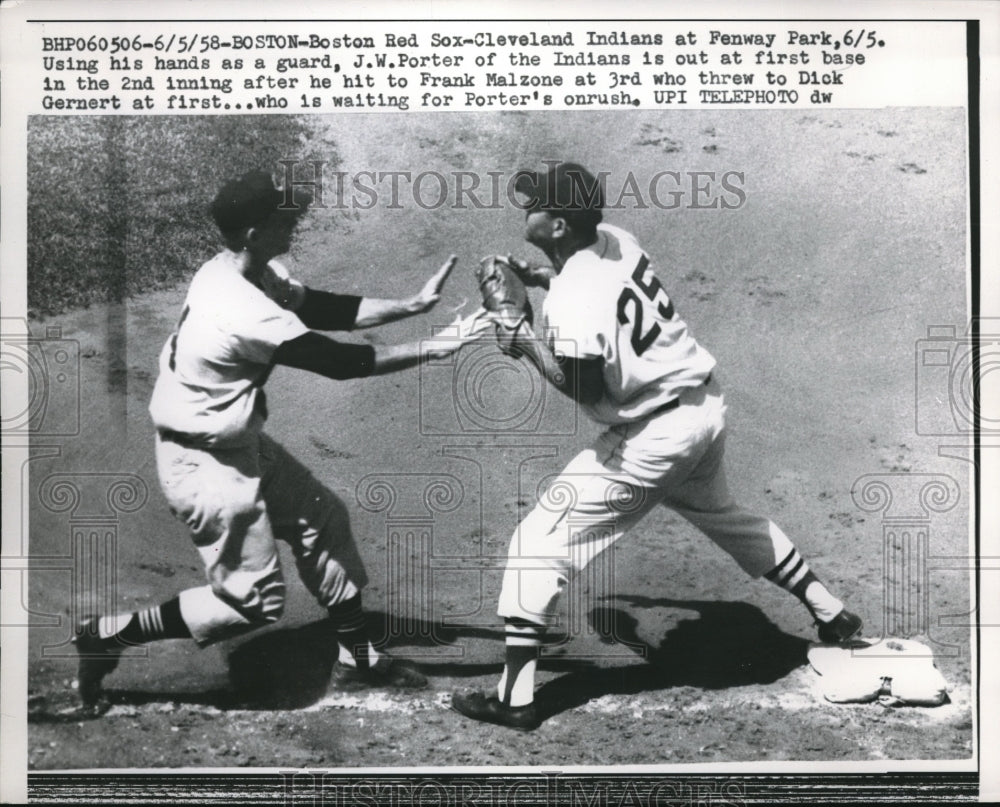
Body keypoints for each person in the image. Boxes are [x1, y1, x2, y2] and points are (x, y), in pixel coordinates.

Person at [451, 161, 863, 731]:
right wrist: (544, 274)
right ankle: (830, 611)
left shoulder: (574, 301)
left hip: (653, 440)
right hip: (704, 411)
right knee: (720, 514)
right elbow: (595, 290)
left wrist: (521, 335)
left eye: (536, 205)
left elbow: (582, 386)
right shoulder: (616, 240)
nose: (527, 209)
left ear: (560, 224)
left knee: (537, 542)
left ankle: (515, 699)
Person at [73, 170, 489, 714]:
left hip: (237, 444)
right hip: (203, 466)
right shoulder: (237, 309)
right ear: (252, 231)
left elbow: (313, 307)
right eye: (285, 217)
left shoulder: (243, 270)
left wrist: (407, 307)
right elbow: (338, 363)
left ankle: (358, 659)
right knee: (251, 605)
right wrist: (439, 346)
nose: (296, 221)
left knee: (324, 520)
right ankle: (108, 635)